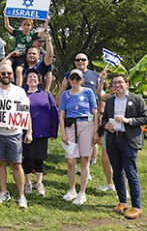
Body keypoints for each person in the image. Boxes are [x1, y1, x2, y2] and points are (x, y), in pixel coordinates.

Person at [0, 63, 32, 209]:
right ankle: (3, 192)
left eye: (9, 73)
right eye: (3, 73)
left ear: (13, 75)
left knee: (16, 164)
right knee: (0, 163)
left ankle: (21, 195)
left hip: (15, 134)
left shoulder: (20, 91)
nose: (6, 76)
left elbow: (26, 113)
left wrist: (29, 132)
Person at [102, 74, 147, 220]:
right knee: (117, 172)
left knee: (130, 172)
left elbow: (145, 118)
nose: (117, 85)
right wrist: (106, 126)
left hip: (129, 140)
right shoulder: (109, 101)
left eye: (120, 82)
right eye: (114, 83)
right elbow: (103, 119)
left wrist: (128, 120)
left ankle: (137, 207)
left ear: (126, 84)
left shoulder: (137, 99)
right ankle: (122, 202)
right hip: (113, 140)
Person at [59, 69, 98, 205]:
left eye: (77, 78)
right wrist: (63, 132)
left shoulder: (88, 92)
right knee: (70, 160)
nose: (74, 81)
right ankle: (71, 189)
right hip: (70, 126)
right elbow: (62, 114)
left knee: (84, 159)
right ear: (69, 80)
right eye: (72, 78)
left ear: (82, 80)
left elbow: (94, 110)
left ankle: (82, 192)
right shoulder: (65, 94)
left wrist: (95, 130)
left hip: (86, 124)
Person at [22, 70, 58, 197]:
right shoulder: (22, 95)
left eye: (35, 77)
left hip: (42, 132)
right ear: (26, 80)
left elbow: (54, 112)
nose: (32, 79)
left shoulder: (46, 95)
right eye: (30, 77)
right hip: (25, 132)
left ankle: (39, 182)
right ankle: (28, 183)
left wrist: (54, 131)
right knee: (28, 157)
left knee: (39, 158)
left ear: (39, 80)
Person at [3, 14, 49, 86]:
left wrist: (47, 21)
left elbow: (44, 31)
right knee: (6, 65)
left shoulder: (32, 34)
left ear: (31, 26)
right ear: (21, 25)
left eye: (28, 25)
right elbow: (7, 26)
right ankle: (6, 83)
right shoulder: (18, 33)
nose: (26, 27)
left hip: (22, 57)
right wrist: (6, 15)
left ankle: (19, 88)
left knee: (19, 70)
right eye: (24, 24)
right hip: (14, 55)